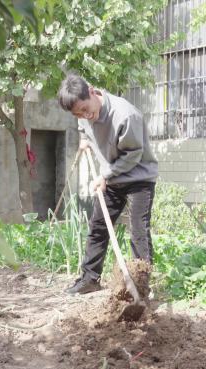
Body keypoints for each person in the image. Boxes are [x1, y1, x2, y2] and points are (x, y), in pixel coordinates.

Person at [57, 74, 158, 294]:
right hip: (111, 178)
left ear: (92, 91)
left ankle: (141, 287)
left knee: (138, 231)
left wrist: (105, 175)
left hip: (138, 178)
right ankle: (90, 279)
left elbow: (133, 154)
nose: (85, 115)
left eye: (85, 109)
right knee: (98, 228)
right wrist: (84, 137)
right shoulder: (82, 111)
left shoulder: (125, 115)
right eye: (78, 114)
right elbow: (82, 123)